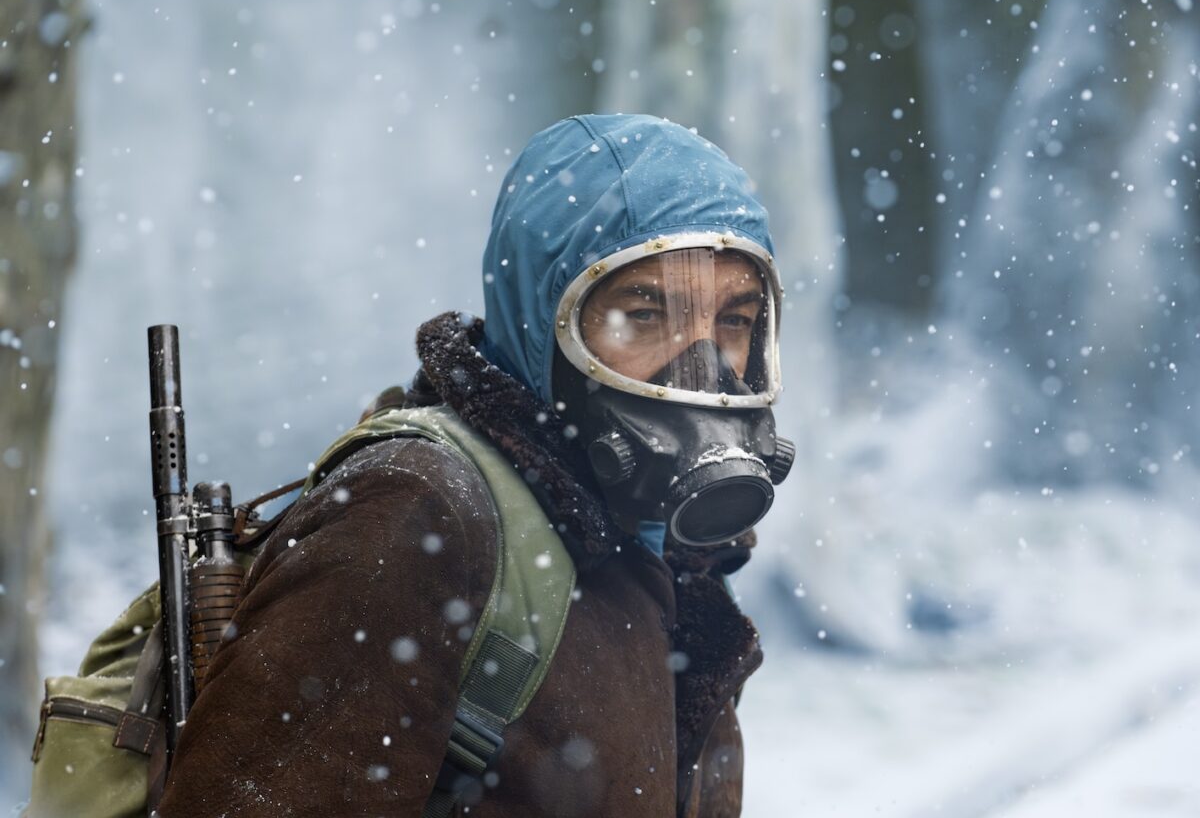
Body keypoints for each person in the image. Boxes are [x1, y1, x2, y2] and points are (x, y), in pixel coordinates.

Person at [155, 113, 793, 818]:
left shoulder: (666, 551)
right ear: (543, 322)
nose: (703, 369)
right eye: (644, 315)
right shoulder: (415, 514)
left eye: (733, 320)